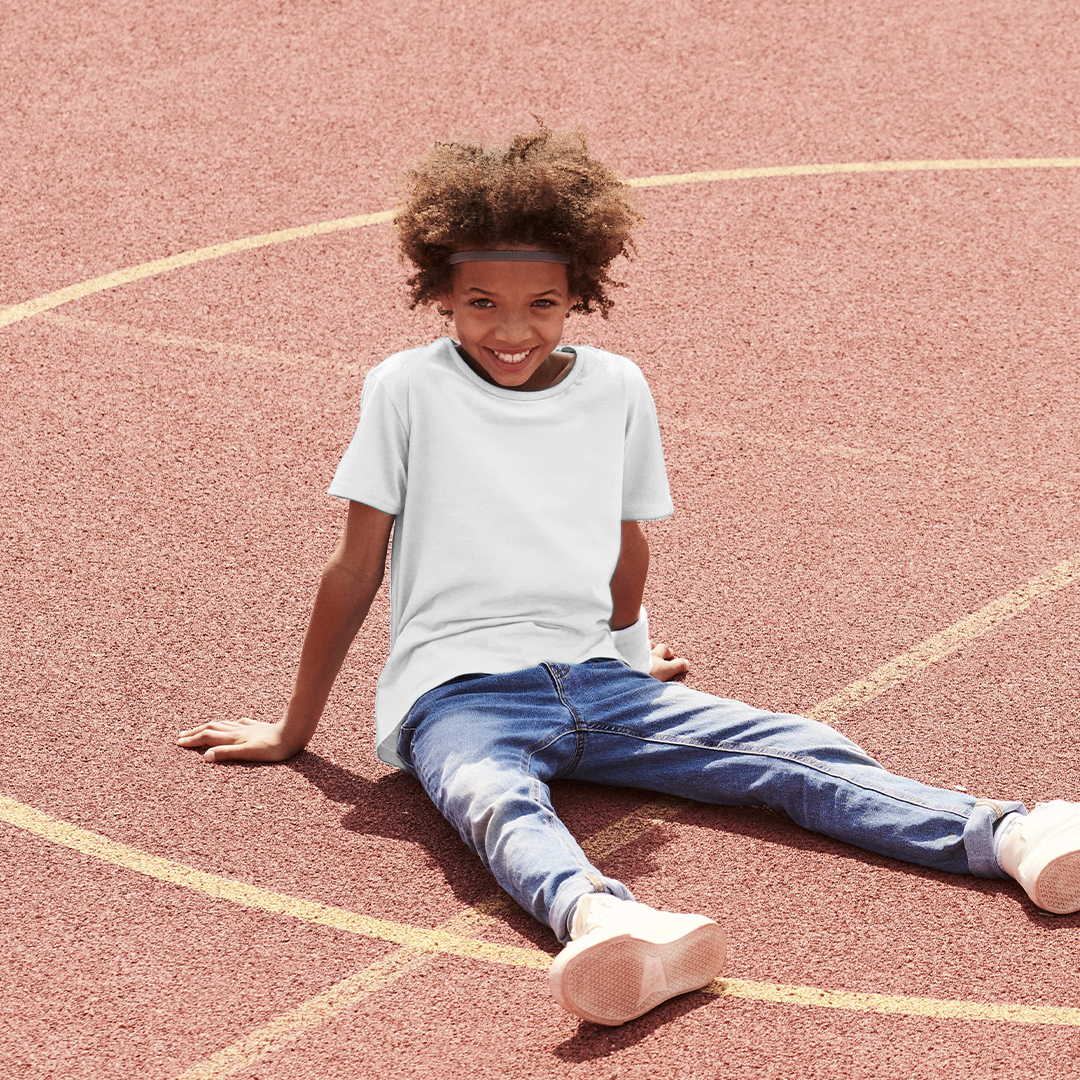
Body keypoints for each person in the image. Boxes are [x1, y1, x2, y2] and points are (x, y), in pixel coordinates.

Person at [177, 125, 1080, 1027]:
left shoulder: (616, 388)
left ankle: (1013, 833)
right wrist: (295, 729)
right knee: (493, 800)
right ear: (440, 293)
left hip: (600, 680)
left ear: (580, 293)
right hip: (456, 695)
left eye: (542, 303)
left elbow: (625, 544)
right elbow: (354, 567)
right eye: (482, 303)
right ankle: (606, 921)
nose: (512, 330)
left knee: (791, 748)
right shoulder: (405, 389)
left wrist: (627, 652)